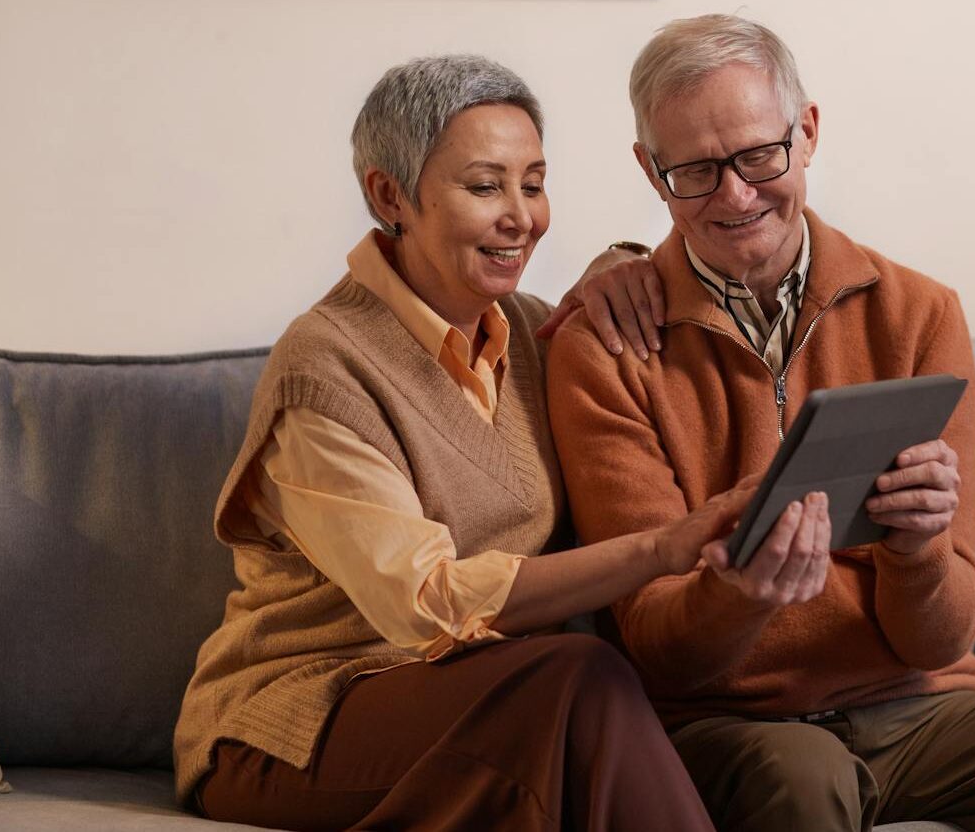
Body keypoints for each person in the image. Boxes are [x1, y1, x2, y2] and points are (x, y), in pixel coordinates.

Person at [546, 15, 975, 832]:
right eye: (694, 169)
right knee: (802, 777)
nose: (734, 194)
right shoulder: (606, 348)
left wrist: (918, 551)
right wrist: (739, 597)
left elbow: (947, 636)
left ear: (809, 133)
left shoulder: (919, 314)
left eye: (760, 155)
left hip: (919, 712)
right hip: (728, 725)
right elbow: (656, 641)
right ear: (651, 172)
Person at [172, 53, 829, 831]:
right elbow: (427, 604)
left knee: (578, 709)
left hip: (514, 702)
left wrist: (624, 262)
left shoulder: (535, 331)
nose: (521, 216)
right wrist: (661, 548)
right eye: (485, 187)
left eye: (535, 183)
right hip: (299, 720)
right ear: (390, 195)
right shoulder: (325, 365)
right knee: (578, 681)